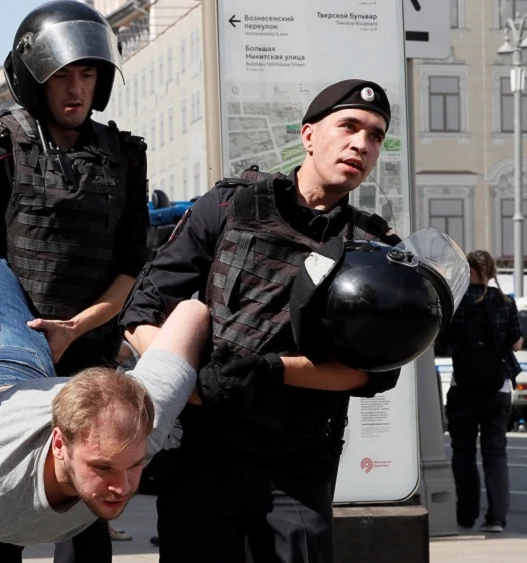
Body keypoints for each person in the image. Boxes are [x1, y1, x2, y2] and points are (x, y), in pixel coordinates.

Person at [120, 79, 405, 563]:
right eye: (349, 126)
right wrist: (192, 378)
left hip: (296, 468)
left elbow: (373, 374)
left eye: (375, 136)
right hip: (202, 453)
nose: (361, 143)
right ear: (309, 135)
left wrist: (271, 370)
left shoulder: (373, 250)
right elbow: (140, 312)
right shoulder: (231, 206)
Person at [0, 2, 149, 560]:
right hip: (2, 367)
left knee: (87, 514)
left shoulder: (125, 157)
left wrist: (75, 328)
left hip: (87, 355)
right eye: (62, 75)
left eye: (86, 74)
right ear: (35, 79)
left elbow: (131, 267)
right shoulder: (0, 146)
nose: (76, 88)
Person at [0, 298, 209, 545]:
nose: (123, 487)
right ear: (60, 443)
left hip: (40, 387)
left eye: (135, 466)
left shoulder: (140, 427)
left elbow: (192, 311)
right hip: (2, 369)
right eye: (102, 467)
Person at [435, 249, 521, 533]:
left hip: (464, 387)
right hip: (499, 388)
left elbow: (443, 344)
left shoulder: (457, 302)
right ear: (492, 270)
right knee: (496, 453)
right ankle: (496, 518)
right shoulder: (506, 302)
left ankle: (466, 513)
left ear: (467, 269)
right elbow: (516, 343)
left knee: (464, 452)